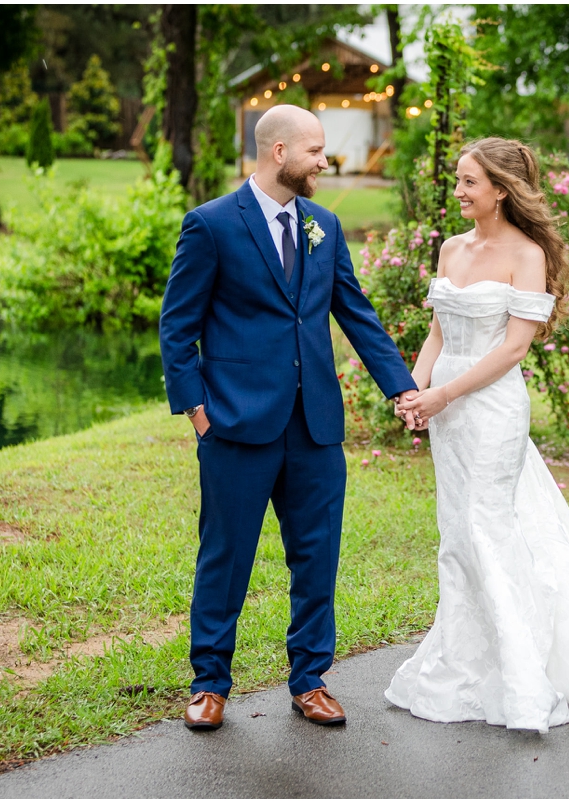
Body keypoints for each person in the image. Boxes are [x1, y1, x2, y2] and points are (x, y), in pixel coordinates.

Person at [386, 138, 569, 733]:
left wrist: (444, 394)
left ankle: (522, 672)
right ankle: (464, 659)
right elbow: (438, 334)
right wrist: (410, 390)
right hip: (446, 409)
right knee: (456, 530)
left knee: (485, 525)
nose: (459, 191)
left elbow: (514, 347)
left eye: (470, 182)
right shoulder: (450, 249)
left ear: (501, 189)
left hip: (491, 407)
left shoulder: (527, 254)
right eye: (458, 180)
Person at [160, 105, 417, 730]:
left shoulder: (323, 226)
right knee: (225, 556)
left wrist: (402, 390)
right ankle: (209, 683)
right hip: (235, 427)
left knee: (317, 555)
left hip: (315, 429)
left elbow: (356, 315)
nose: (324, 163)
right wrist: (197, 411)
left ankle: (310, 680)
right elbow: (177, 328)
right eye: (315, 152)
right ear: (279, 153)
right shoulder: (212, 225)